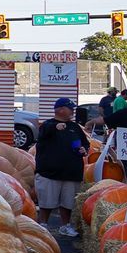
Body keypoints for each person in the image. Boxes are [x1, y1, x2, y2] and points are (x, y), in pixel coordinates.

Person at [34, 98, 91, 236]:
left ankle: (65, 226)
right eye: (70, 108)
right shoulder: (48, 125)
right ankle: (43, 225)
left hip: (71, 172)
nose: (72, 111)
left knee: (68, 202)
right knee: (46, 202)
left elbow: (85, 143)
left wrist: (84, 149)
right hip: (50, 172)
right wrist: (55, 128)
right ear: (60, 109)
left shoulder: (74, 127)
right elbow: (43, 135)